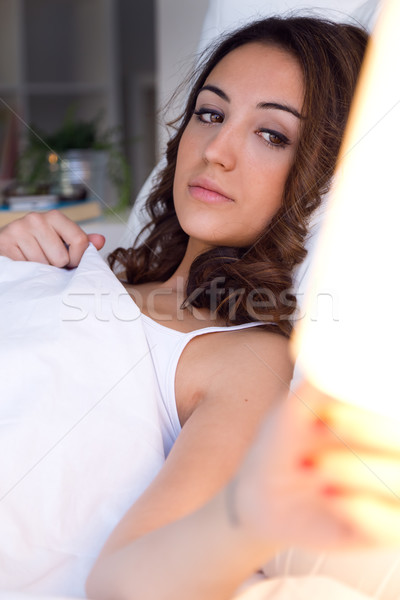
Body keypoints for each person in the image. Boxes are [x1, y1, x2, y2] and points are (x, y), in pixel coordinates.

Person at [0, 16, 370, 599]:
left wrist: (255, 518)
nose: (216, 151)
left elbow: (128, 586)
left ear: (324, 177)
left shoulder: (244, 358)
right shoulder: (74, 261)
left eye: (272, 135)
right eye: (211, 114)